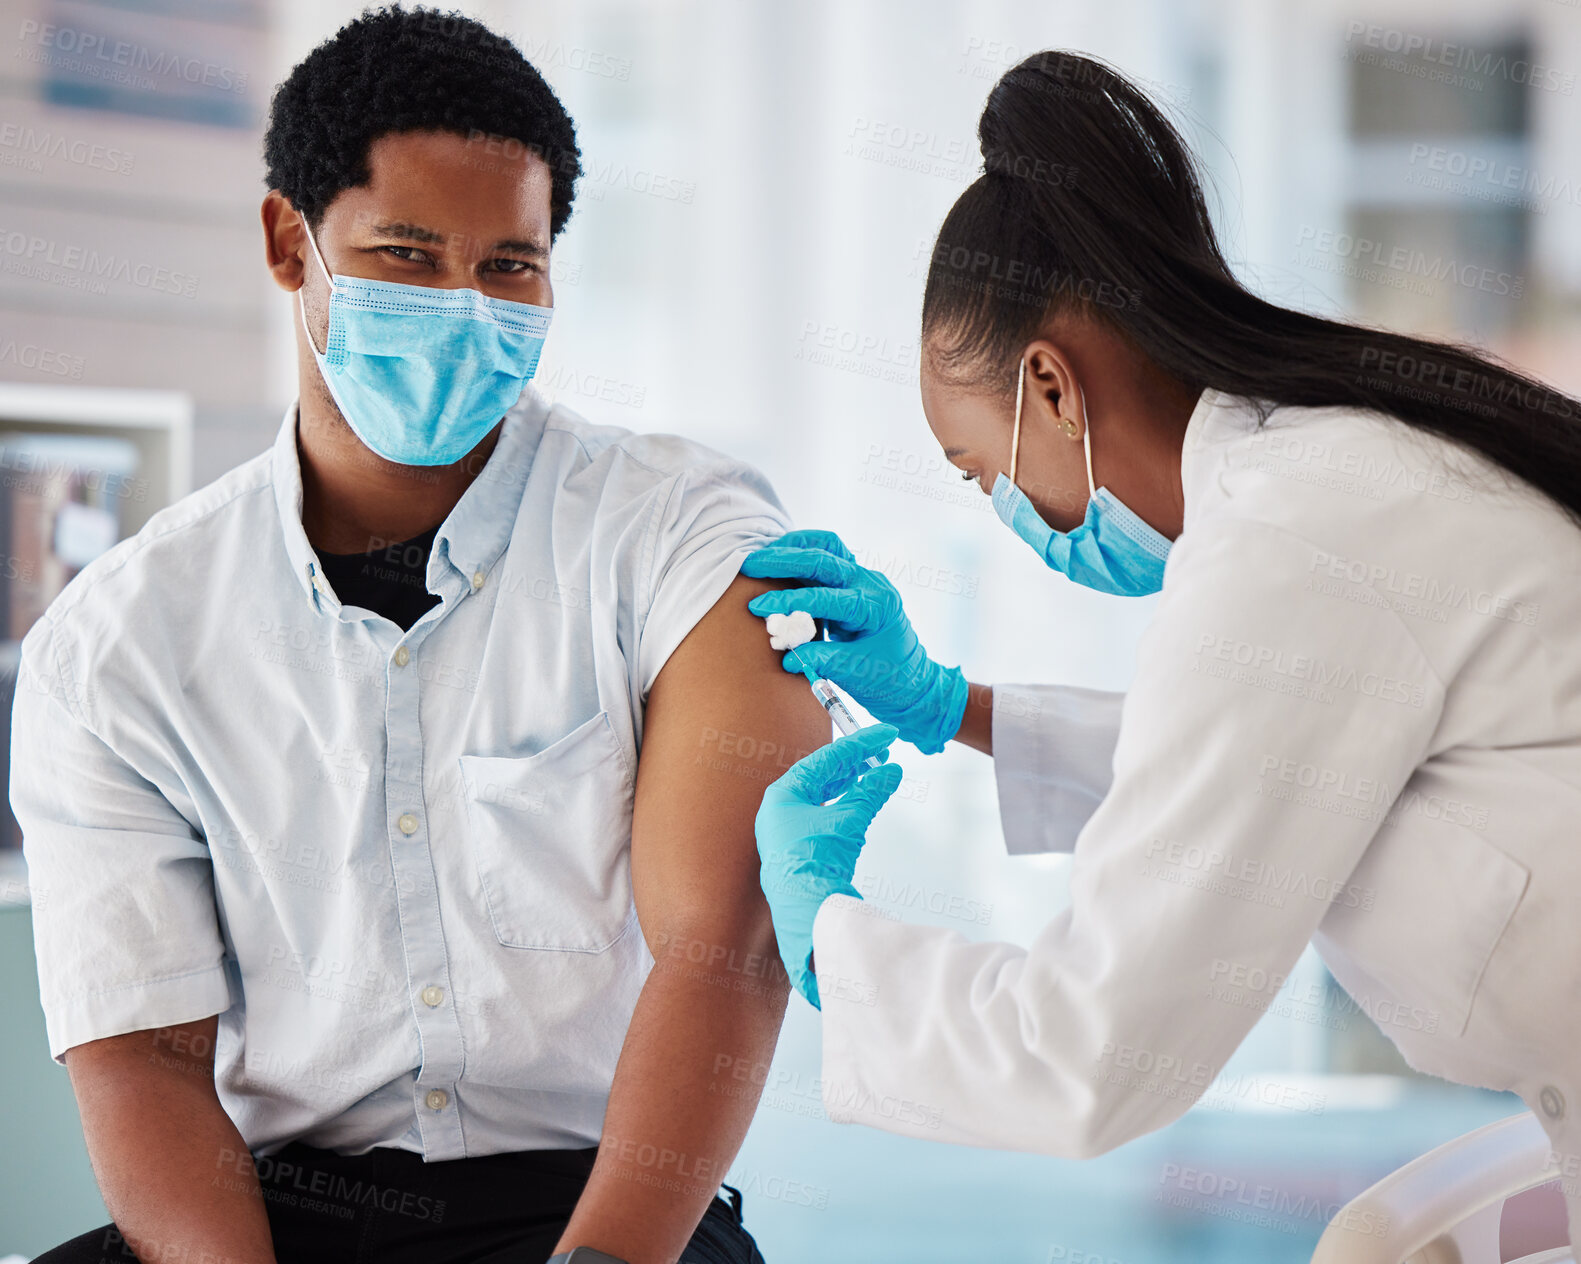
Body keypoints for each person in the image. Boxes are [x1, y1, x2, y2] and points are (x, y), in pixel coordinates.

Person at [12, 7, 828, 1263]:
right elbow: (147, 1060)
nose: (465, 305)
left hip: (606, 1210)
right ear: (291, 242)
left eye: (511, 265)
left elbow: (723, 948)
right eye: (406, 253)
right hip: (275, 1219)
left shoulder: (681, 536)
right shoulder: (116, 643)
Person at [745, 48, 1581, 1257]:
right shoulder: (1320, 475)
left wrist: (830, 934)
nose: (1006, 512)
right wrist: (950, 706)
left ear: (1050, 386)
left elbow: (1087, 1051)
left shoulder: (1295, 536)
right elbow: (1253, 775)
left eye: (980, 471)